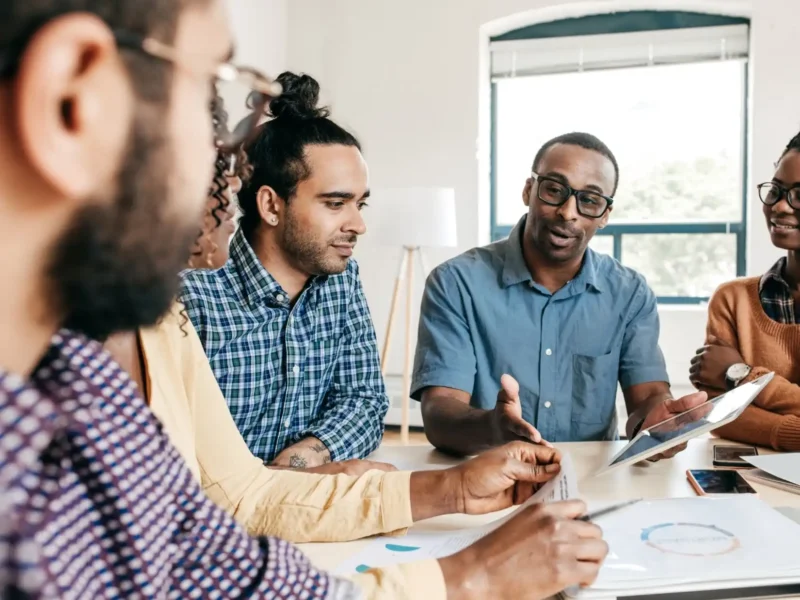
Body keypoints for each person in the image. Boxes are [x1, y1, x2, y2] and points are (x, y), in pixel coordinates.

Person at [0, 3, 608, 595]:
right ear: (72, 99)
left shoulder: (137, 333)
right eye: (209, 99)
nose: (231, 163)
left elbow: (235, 511)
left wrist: (451, 494)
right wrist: (471, 578)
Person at [413, 132, 708, 457]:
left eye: (590, 200)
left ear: (605, 214)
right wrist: (493, 428)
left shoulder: (629, 294)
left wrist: (659, 424)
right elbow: (439, 413)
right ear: (529, 190)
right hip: (485, 477)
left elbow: (648, 398)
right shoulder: (456, 283)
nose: (568, 212)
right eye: (554, 190)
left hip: (592, 485)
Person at [181, 72, 389, 468]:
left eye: (359, 204)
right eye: (335, 203)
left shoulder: (342, 279)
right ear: (271, 206)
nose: (358, 225)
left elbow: (364, 402)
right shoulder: (192, 296)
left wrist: (300, 460)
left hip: (301, 505)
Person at [690, 132, 800, 451]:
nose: (779, 206)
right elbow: (716, 414)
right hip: (751, 486)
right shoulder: (732, 300)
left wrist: (738, 373)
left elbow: (736, 408)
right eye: (776, 190)